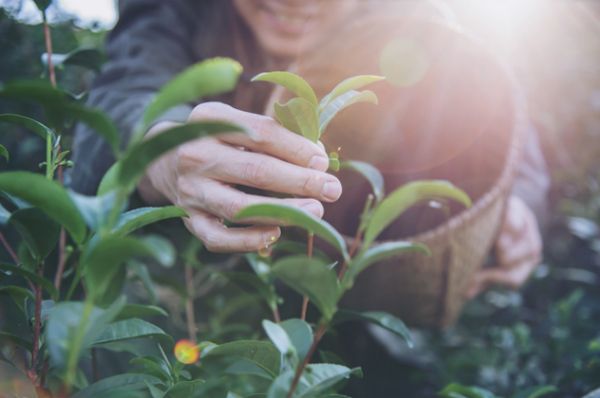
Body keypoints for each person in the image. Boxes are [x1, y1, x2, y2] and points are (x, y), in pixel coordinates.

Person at [70, 0, 549, 305]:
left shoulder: (420, 19)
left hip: (372, 291)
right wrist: (162, 149)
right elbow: (126, 90)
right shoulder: (173, 10)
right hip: (213, 286)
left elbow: (505, 121)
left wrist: (521, 205)